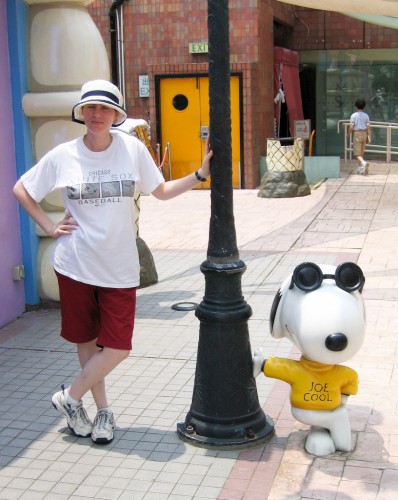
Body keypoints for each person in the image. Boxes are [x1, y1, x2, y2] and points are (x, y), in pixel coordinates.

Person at [13, 80, 213, 444]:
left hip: (120, 267)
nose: (96, 115)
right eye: (90, 108)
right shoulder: (64, 155)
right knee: (87, 341)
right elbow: (22, 189)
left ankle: (68, 397)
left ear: (117, 115)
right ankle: (100, 412)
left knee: (118, 345)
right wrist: (48, 225)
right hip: (75, 264)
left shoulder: (131, 149)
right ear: (81, 113)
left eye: (105, 109)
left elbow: (161, 191)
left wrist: (199, 175)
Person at [347, 98, 371, 175]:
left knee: (357, 154)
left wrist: (348, 134)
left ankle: (364, 163)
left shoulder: (353, 115)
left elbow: (351, 126)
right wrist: (369, 136)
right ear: (364, 106)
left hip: (357, 133)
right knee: (361, 153)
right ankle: (361, 170)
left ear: (356, 106)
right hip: (364, 133)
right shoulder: (366, 115)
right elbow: (368, 127)